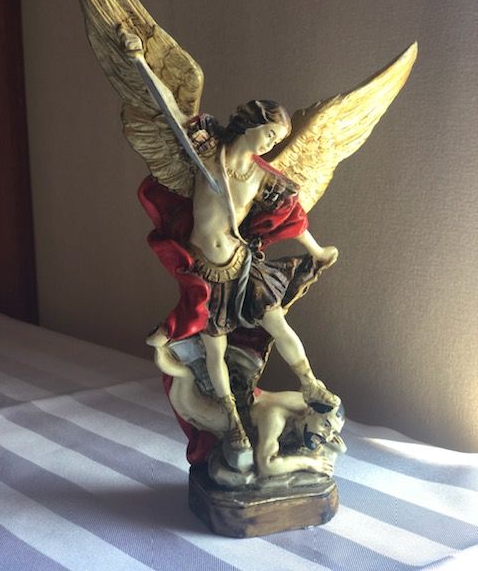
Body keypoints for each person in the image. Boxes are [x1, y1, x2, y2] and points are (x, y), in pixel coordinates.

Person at [120, 30, 340, 454]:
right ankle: (234, 422)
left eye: (277, 140)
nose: (272, 144)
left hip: (241, 264)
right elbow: (169, 111)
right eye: (270, 135)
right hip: (206, 270)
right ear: (252, 124)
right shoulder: (206, 150)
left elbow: (291, 217)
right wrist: (138, 61)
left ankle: (310, 382)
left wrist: (316, 251)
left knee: (277, 323)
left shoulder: (262, 176)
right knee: (214, 350)